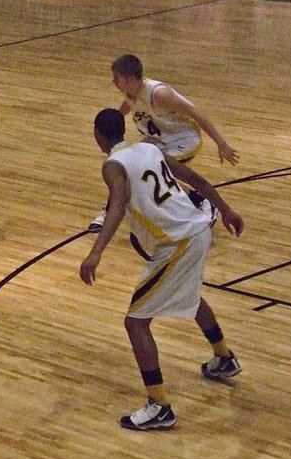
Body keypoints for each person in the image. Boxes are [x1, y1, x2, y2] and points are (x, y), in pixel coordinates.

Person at [80, 108, 244, 431]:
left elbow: (116, 205)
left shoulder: (112, 165)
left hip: (178, 242)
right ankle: (223, 357)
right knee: (191, 297)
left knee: (135, 323)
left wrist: (95, 253)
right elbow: (193, 179)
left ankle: (159, 405)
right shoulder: (150, 148)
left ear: (99, 135)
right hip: (199, 230)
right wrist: (224, 208)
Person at [89, 54, 239, 232]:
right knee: (126, 165)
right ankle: (197, 200)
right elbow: (128, 106)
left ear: (130, 79)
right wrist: (113, 120)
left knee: (154, 170)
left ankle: (201, 202)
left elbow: (194, 112)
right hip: (158, 141)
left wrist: (221, 143)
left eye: (117, 78)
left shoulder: (159, 94)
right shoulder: (130, 93)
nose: (114, 83)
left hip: (183, 140)